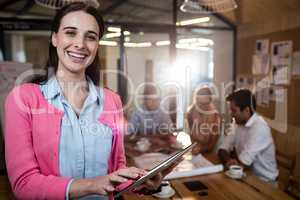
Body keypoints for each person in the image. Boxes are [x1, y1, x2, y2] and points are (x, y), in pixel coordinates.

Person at [4, 3, 167, 199]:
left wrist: (141, 182)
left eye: (90, 37)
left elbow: (117, 170)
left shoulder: (112, 101)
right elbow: (24, 184)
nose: (80, 44)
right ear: (55, 38)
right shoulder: (23, 99)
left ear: (97, 45)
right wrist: (93, 184)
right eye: (71, 33)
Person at [218, 89, 278, 182]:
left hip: (265, 182)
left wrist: (232, 163)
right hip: (246, 176)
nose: (231, 114)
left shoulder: (260, 127)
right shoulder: (237, 123)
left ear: (246, 110)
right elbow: (222, 149)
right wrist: (228, 161)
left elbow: (243, 163)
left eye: (234, 111)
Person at [186, 86, 221, 155]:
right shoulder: (190, 113)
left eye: (206, 104)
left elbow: (212, 145)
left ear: (210, 102)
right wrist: (195, 147)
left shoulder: (216, 117)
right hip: (196, 152)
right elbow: (192, 139)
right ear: (196, 101)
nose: (203, 107)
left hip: (211, 152)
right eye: (200, 104)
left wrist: (200, 149)